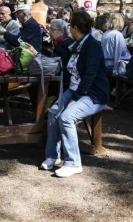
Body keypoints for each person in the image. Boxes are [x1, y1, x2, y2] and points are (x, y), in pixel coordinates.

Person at [41, 11, 108, 178]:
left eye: (70, 26)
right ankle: (52, 155)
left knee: (67, 117)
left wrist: (75, 98)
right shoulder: (78, 43)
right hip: (75, 90)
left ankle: (73, 163)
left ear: (76, 27)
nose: (69, 29)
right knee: (54, 113)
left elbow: (90, 75)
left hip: (93, 94)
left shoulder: (92, 45)